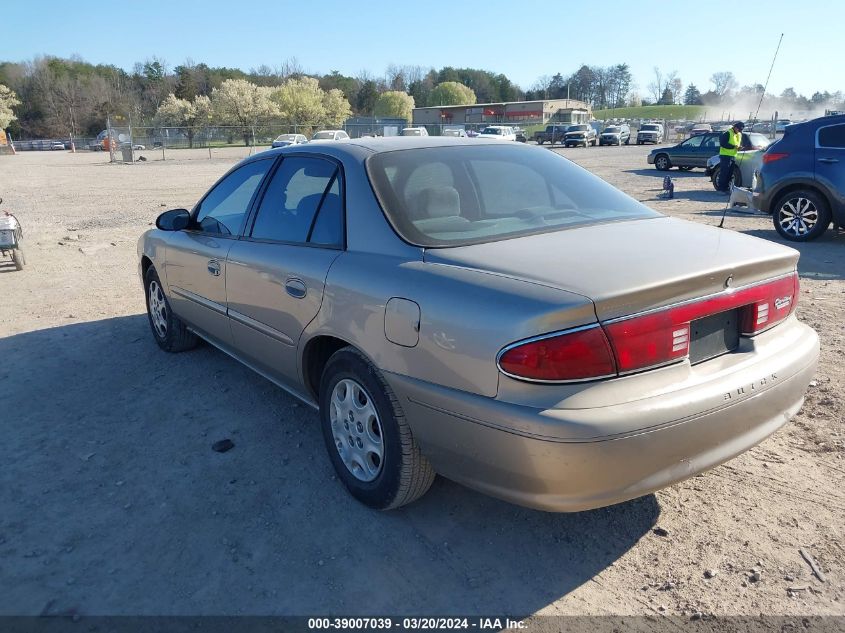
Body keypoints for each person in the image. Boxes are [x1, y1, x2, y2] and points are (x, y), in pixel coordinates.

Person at [717, 121, 745, 193]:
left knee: (730, 173)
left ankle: (726, 188)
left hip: (733, 156)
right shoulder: (728, 133)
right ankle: (721, 189)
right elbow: (723, 144)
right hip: (725, 156)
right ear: (735, 127)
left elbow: (738, 143)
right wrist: (733, 147)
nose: (739, 131)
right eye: (739, 129)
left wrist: (739, 147)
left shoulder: (739, 134)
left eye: (741, 130)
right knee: (724, 173)